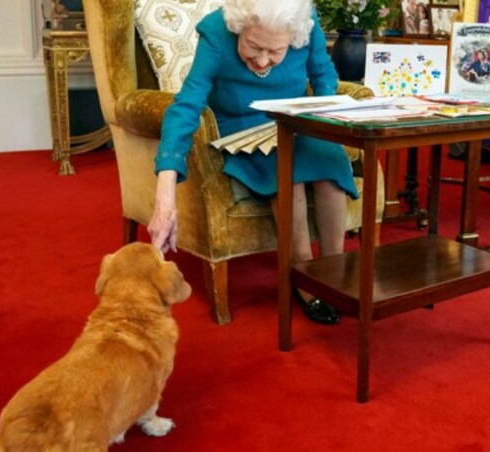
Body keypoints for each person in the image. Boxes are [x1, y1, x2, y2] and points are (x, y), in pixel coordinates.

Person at [149, 0, 355, 325]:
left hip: (296, 119)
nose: (261, 61)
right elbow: (186, 104)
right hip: (241, 126)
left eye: (275, 52)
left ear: (293, 35)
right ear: (239, 25)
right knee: (291, 177)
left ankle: (335, 271)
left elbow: (323, 73)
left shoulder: (307, 22)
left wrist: (322, 117)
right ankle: (303, 277)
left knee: (330, 167)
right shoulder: (217, 31)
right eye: (253, 46)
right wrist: (165, 192)